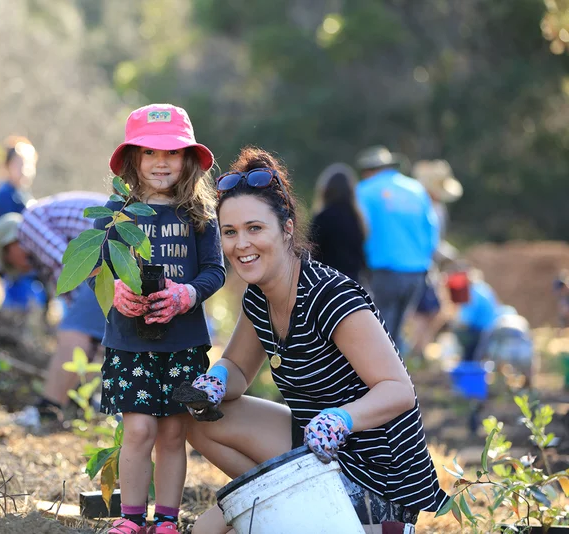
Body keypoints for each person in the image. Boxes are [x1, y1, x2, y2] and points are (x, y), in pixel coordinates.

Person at [176, 147, 448, 533]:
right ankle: (284, 501)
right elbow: (238, 367)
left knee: (210, 527)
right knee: (202, 423)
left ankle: (328, 515)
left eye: (255, 228)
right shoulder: (258, 297)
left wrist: (343, 418)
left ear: (286, 228)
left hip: (377, 471)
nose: (241, 245)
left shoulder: (330, 296)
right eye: (230, 232)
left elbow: (398, 389)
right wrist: (218, 378)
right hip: (316, 452)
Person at [96, 103, 226, 534]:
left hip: (182, 340)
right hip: (129, 340)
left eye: (171, 153)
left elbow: (215, 271)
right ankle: (131, 519)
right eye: (150, 153)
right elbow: (101, 265)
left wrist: (188, 293)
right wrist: (117, 287)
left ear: (188, 159)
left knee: (172, 434)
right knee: (137, 431)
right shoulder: (119, 212)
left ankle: (167, 520)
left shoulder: (199, 215)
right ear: (133, 159)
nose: (161, 162)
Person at [0, 191, 108, 423]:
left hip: (110, 248)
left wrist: (71, 329)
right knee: (93, 337)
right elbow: (74, 293)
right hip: (124, 248)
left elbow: (70, 265)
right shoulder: (44, 223)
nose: (16, 267)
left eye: (9, 260)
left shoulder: (28, 225)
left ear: (10, 244)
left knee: (75, 331)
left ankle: (46, 412)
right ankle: (81, 404)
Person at [355, 145, 440, 347]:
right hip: (416, 273)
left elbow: (359, 229)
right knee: (398, 328)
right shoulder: (416, 189)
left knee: (380, 330)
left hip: (384, 270)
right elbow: (431, 233)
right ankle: (399, 374)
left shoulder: (364, 190)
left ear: (369, 170)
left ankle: (379, 376)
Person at [408, 160, 463, 356]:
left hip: (426, 265)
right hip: (419, 265)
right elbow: (431, 243)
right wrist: (451, 256)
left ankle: (417, 349)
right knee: (426, 311)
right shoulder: (423, 208)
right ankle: (416, 351)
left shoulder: (435, 208)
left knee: (431, 311)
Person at [0, 136, 45, 310]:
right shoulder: (5, 195)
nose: (25, 170)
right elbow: (7, 239)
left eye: (29, 164)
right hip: (14, 270)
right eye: (20, 164)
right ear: (8, 165)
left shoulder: (24, 196)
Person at [308, 162, 366, 282]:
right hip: (353, 280)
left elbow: (312, 252)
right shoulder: (357, 218)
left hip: (328, 281)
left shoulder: (322, 217)